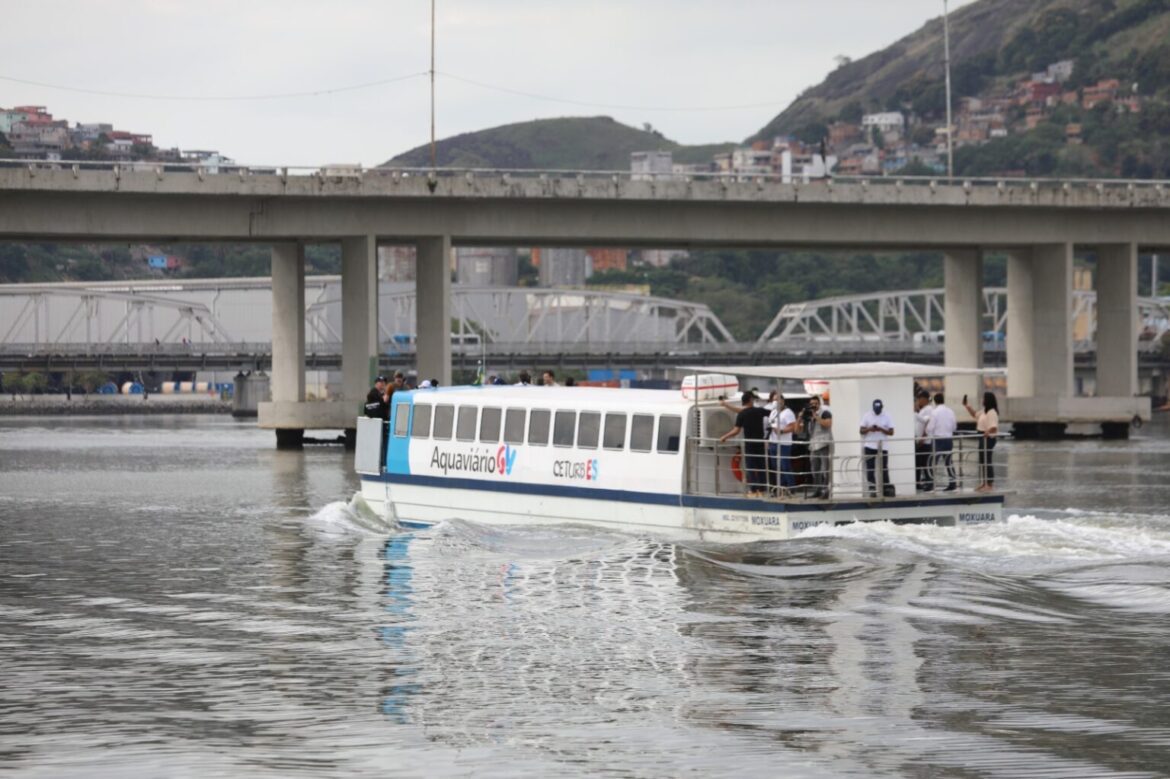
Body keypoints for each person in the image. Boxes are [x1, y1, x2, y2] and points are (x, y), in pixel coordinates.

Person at [719, 390, 771, 497]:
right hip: (760, 443)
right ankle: (762, 490)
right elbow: (772, 414)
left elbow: (736, 430)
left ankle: (753, 490)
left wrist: (725, 436)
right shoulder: (759, 411)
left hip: (749, 444)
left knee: (751, 468)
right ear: (751, 400)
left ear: (743, 402)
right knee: (761, 467)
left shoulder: (742, 414)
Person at [963, 391, 999, 492]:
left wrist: (988, 431)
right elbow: (975, 414)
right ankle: (984, 483)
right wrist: (967, 406)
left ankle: (989, 484)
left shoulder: (992, 412)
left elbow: (994, 427)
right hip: (982, 437)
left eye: (983, 398)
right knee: (982, 461)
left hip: (988, 438)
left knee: (987, 460)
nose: (982, 400)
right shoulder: (984, 411)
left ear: (987, 400)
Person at [860, 398, 895, 497]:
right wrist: (869, 429)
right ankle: (872, 489)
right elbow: (861, 431)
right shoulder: (867, 415)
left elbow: (891, 432)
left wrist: (881, 429)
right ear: (873, 408)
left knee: (884, 468)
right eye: (875, 409)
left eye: (878, 410)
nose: (877, 411)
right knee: (870, 469)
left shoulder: (887, 415)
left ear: (882, 407)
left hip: (883, 446)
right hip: (869, 445)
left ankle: (886, 488)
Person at [926, 392, 958, 491]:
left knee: (932, 462)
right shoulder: (951, 411)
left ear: (935, 401)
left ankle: (931, 484)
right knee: (949, 462)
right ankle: (953, 483)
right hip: (948, 439)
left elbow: (930, 428)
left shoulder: (934, 412)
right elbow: (954, 427)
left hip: (938, 439)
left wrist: (928, 433)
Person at [803, 393, 834, 498]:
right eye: (811, 404)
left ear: (819, 404)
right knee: (815, 470)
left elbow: (828, 424)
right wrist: (800, 417)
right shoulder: (809, 415)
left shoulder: (825, 413)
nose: (813, 406)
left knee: (825, 469)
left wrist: (816, 417)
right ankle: (818, 490)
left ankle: (826, 491)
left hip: (824, 444)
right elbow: (800, 430)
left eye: (815, 404)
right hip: (814, 446)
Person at [769, 393, 798, 494]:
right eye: (773, 399)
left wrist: (781, 431)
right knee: (776, 466)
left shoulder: (788, 412)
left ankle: (791, 487)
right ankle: (781, 486)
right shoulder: (773, 412)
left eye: (777, 399)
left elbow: (792, 427)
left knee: (785, 466)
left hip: (784, 444)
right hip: (772, 442)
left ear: (783, 401)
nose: (775, 401)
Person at [914, 389, 935, 492]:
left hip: (925, 441)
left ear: (925, 399)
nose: (918, 401)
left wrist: (923, 436)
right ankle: (917, 482)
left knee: (926, 463)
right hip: (919, 440)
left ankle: (930, 483)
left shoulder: (929, 409)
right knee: (918, 463)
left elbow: (928, 422)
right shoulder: (923, 409)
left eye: (920, 399)